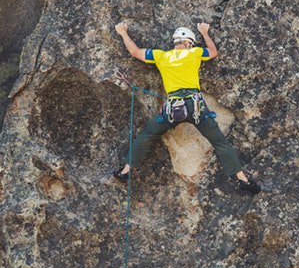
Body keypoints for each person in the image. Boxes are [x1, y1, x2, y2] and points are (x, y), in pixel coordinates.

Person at [112, 21, 261, 194]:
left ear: (175, 41)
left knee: (148, 134)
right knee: (219, 141)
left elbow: (135, 52)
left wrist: (123, 32)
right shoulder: (194, 53)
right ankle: (242, 179)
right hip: (195, 106)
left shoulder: (161, 56)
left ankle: (125, 171)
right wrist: (205, 33)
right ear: (189, 42)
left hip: (173, 108)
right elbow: (213, 52)